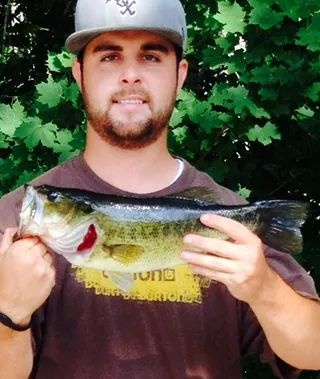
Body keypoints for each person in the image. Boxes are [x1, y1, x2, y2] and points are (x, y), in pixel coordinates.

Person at [0, 0, 319, 377]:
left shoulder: (227, 218)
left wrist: (265, 290)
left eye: (151, 57)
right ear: (79, 73)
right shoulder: (15, 219)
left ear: (180, 75)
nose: (130, 74)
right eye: (109, 57)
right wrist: (9, 313)